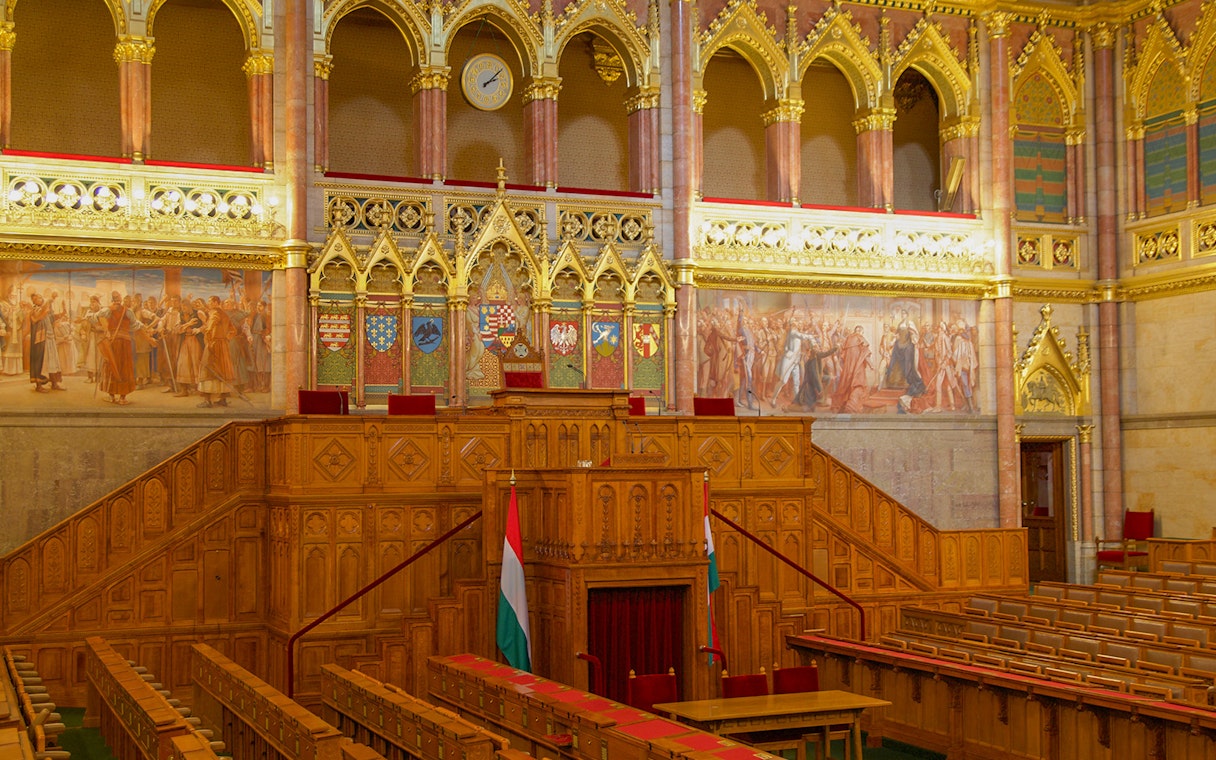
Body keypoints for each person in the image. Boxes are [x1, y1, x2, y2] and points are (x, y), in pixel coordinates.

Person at [92, 291, 137, 404]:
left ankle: (111, 396)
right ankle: (122, 398)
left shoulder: (107, 310)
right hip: (125, 343)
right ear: (120, 300)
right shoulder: (128, 311)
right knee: (124, 368)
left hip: (112, 342)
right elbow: (134, 325)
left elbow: (95, 318)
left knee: (111, 365)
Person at [196, 296, 238, 408]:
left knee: (207, 369)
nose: (209, 303)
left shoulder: (214, 313)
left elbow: (209, 329)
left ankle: (207, 401)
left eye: (210, 302)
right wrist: (226, 339)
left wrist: (208, 340)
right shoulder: (224, 314)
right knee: (223, 370)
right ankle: (223, 399)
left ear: (216, 303)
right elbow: (233, 330)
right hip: (223, 346)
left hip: (213, 344)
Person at [769, 314, 817, 407]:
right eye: (794, 323)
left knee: (796, 382)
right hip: (788, 360)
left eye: (795, 323)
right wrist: (810, 337)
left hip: (795, 361)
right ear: (791, 325)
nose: (795, 325)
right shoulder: (793, 332)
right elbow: (801, 336)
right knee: (783, 381)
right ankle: (773, 399)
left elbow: (787, 346)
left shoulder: (793, 333)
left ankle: (796, 401)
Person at [27, 292, 65, 392]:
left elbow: (52, 319)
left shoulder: (46, 309)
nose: (40, 299)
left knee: (52, 360)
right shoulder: (34, 310)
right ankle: (39, 385)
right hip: (40, 339)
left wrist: (63, 311)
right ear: (34, 301)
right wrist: (48, 304)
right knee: (40, 361)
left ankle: (54, 383)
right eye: (37, 299)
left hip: (49, 337)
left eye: (40, 297)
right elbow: (36, 319)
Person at [831, 325, 872, 413]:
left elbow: (842, 353)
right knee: (857, 383)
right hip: (857, 365)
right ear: (861, 332)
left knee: (846, 383)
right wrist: (871, 365)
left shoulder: (848, 339)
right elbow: (865, 353)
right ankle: (851, 406)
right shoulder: (860, 338)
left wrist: (839, 345)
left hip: (848, 367)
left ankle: (843, 405)